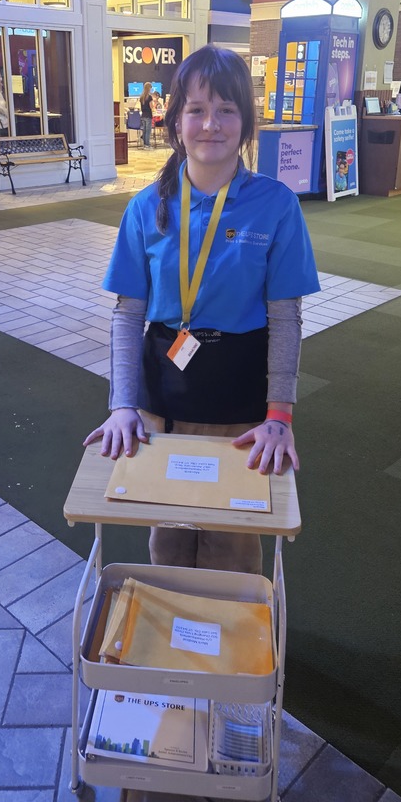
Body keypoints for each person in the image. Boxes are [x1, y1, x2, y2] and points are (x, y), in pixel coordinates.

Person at [84, 45, 320, 575]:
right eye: (196, 110)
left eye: (227, 110)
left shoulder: (275, 204)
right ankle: (170, 645)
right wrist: (123, 404)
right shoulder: (146, 206)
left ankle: (231, 648)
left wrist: (279, 415)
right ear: (175, 121)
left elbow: (285, 318)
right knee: (166, 541)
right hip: (160, 395)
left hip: (240, 399)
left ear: (246, 122)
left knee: (231, 545)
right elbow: (128, 313)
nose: (211, 124)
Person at [139, 81, 153, 149]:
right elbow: (151, 106)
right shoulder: (149, 97)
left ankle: (144, 144)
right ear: (149, 88)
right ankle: (147, 144)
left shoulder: (141, 97)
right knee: (148, 130)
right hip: (148, 115)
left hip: (143, 115)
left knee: (144, 130)